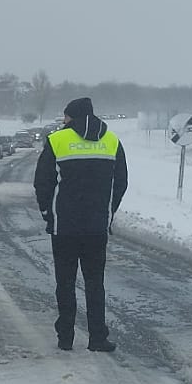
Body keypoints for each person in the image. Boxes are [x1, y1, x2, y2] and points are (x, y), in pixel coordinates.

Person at [33, 95, 128, 352]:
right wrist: (108, 211)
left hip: (64, 228)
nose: (63, 120)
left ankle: (66, 337)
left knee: (65, 283)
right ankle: (98, 337)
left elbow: (43, 182)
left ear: (71, 116)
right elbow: (121, 182)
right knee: (95, 284)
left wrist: (47, 212)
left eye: (65, 116)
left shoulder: (57, 140)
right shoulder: (112, 141)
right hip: (97, 227)